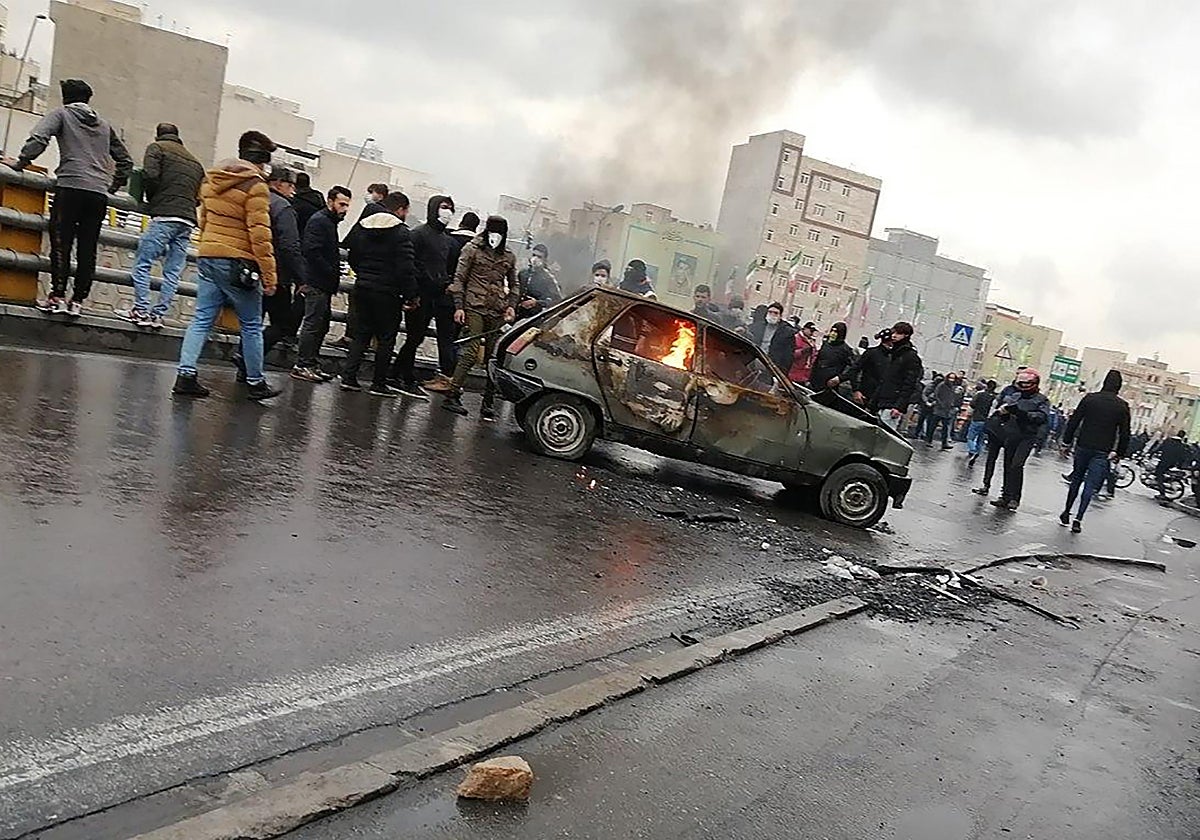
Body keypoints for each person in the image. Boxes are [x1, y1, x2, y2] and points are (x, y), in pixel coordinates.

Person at [7, 79, 132, 316]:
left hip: (70, 186)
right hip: (97, 193)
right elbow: (125, 160)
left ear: (66, 97)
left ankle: (58, 296)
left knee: (61, 243)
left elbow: (39, 138)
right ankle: (78, 301)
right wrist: (112, 186)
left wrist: (22, 162)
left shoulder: (62, 114)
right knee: (87, 248)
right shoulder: (104, 125)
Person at [170, 130, 280, 401]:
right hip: (238, 262)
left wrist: (207, 250)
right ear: (262, 161)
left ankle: (186, 375)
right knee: (252, 323)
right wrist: (269, 276)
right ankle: (255, 382)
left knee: (201, 318)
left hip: (208, 255)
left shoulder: (212, 179)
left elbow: (204, 220)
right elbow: (260, 234)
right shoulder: (255, 186)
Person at [121, 123, 204, 328]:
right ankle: (158, 315)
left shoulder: (156, 149)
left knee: (143, 263)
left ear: (158, 135)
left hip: (164, 215)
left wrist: (151, 199)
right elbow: (199, 196)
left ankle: (140, 310)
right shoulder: (195, 163)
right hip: (187, 220)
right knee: (173, 271)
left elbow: (150, 175)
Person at [231, 165, 307, 380]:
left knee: (252, 322)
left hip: (249, 269)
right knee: (282, 324)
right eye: (290, 185)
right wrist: (301, 277)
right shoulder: (283, 207)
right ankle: (247, 358)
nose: (293, 191)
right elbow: (290, 245)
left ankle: (244, 367)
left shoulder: (255, 199)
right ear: (278, 183)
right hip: (277, 273)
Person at [341, 191, 417, 396]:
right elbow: (406, 268)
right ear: (400, 209)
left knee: (361, 334)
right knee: (386, 337)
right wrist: (411, 295)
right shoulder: (401, 233)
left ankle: (349, 377)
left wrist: (363, 273)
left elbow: (353, 255)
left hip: (363, 287)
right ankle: (378, 383)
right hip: (388, 292)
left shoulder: (364, 226)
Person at [443, 215, 518, 418]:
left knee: (494, 357)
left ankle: (489, 400)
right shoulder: (472, 249)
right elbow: (459, 278)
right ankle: (452, 393)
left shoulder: (509, 255)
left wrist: (511, 305)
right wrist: (459, 306)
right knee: (471, 351)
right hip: (474, 306)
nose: (496, 236)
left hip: (497, 309)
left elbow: (514, 284)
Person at [389, 194, 456, 398]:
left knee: (417, 337)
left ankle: (400, 374)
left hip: (437, 296)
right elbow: (410, 263)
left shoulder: (447, 240)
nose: (447, 212)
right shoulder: (418, 234)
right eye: (444, 207)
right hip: (419, 294)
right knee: (414, 336)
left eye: (450, 208)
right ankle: (402, 375)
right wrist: (413, 292)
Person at [292, 185, 352, 382]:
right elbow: (312, 251)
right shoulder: (320, 221)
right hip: (316, 281)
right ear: (330, 202)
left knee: (321, 324)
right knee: (313, 324)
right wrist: (330, 269)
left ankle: (311, 362)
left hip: (322, 282)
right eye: (342, 204)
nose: (345, 209)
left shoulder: (328, 222)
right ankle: (303, 364)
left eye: (347, 205)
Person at [1060, 370, 1130, 532]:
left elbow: (1074, 421)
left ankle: (1066, 512)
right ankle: (1078, 519)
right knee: (1090, 485)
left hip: (1083, 445)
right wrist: (1119, 453)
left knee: (1076, 479)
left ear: (1104, 382)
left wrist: (1066, 442)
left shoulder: (1090, 399)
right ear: (1119, 386)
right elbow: (1125, 433)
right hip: (1102, 451)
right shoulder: (1122, 406)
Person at [976, 368, 1050, 511]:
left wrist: (1021, 413)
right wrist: (1003, 413)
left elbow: (1041, 417)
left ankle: (1015, 498)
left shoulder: (1041, 400)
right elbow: (1004, 413)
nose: (1023, 386)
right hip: (1011, 433)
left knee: (1017, 465)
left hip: (1027, 436)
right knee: (1008, 465)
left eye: (1026, 383)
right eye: (1021, 382)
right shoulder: (1014, 396)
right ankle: (1005, 496)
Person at [424, 211, 479, 392]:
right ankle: (454, 377)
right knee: (457, 339)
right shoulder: (478, 247)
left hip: (446, 297)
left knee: (445, 337)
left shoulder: (449, 240)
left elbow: (439, 265)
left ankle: (447, 378)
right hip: (468, 301)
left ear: (462, 223)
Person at [872, 322, 923, 430]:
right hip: (882, 401)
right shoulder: (893, 354)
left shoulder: (910, 357)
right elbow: (885, 379)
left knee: (885, 436)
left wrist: (899, 406)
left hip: (893, 404)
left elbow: (909, 384)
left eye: (898, 333)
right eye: (893, 332)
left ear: (906, 335)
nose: (894, 336)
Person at [747, 301, 796, 373]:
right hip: (753, 364)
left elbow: (788, 357)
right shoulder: (757, 326)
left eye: (776, 313)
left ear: (780, 316)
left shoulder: (787, 333)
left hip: (772, 368)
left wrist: (781, 374)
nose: (772, 315)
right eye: (770, 312)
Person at [516, 242, 563, 317]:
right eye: (534, 255)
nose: (535, 259)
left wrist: (537, 303)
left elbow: (557, 300)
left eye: (539, 257)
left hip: (535, 316)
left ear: (544, 259)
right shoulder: (523, 273)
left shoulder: (548, 278)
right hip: (517, 312)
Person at [809, 321, 856, 392]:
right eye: (832, 331)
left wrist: (839, 378)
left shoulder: (845, 350)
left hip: (830, 384)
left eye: (836, 332)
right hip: (815, 380)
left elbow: (852, 368)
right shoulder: (826, 344)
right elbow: (818, 360)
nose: (833, 334)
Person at [851, 328, 891, 407]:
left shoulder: (894, 358)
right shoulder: (872, 353)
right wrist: (856, 390)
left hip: (880, 401)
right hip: (864, 396)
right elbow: (854, 370)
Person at [926, 372, 963, 450]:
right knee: (933, 426)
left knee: (945, 427)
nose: (951, 380)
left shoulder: (953, 387)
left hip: (947, 410)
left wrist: (953, 404)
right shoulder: (942, 385)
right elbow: (937, 394)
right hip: (939, 409)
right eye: (950, 378)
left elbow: (954, 397)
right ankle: (929, 440)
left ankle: (944, 443)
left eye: (953, 378)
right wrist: (940, 404)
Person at [966, 380, 997, 466]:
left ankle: (972, 451)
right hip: (987, 421)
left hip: (977, 418)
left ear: (986, 386)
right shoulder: (995, 397)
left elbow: (972, 405)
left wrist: (969, 414)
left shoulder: (980, 394)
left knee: (970, 437)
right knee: (981, 440)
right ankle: (978, 452)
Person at [1153, 430, 1192, 500]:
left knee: (1158, 474)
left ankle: (1162, 493)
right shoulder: (1182, 446)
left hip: (1163, 461)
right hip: (1172, 464)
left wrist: (1152, 453)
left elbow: (1159, 448)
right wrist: (1179, 465)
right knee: (1161, 473)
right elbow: (1182, 457)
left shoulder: (1168, 441)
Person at [789, 321, 819, 387]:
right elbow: (790, 354)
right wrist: (803, 351)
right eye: (811, 330)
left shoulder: (811, 341)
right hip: (793, 373)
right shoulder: (796, 338)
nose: (812, 333)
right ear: (805, 329)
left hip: (805, 375)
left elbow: (813, 356)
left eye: (813, 331)